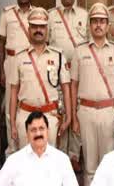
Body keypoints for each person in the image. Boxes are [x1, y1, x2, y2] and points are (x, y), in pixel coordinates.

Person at [70, 2, 114, 186]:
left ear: (107, 25)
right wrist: (73, 117)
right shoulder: (79, 51)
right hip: (86, 112)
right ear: (89, 24)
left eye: (102, 21)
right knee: (89, 166)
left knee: (108, 165)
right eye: (94, 21)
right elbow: (73, 85)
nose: (98, 25)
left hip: (109, 112)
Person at [8, 8, 71, 149]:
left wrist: (68, 117)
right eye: (34, 26)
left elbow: (66, 88)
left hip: (50, 116)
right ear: (29, 29)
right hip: (25, 115)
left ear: (47, 29)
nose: (38, 30)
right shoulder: (19, 57)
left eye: (42, 26)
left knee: (50, 163)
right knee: (26, 162)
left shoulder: (58, 56)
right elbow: (13, 92)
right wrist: (12, 123)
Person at [49, 0, 87, 168]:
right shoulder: (50, 16)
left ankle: (75, 155)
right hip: (59, 72)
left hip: (79, 71)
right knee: (63, 110)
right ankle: (62, 154)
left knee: (78, 110)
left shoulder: (84, 15)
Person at [0, 0, 35, 155]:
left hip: (30, 62)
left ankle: (29, 146)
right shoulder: (7, 14)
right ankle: (12, 150)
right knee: (10, 107)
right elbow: (1, 43)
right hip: (11, 62)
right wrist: (1, 71)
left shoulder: (37, 14)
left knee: (28, 102)